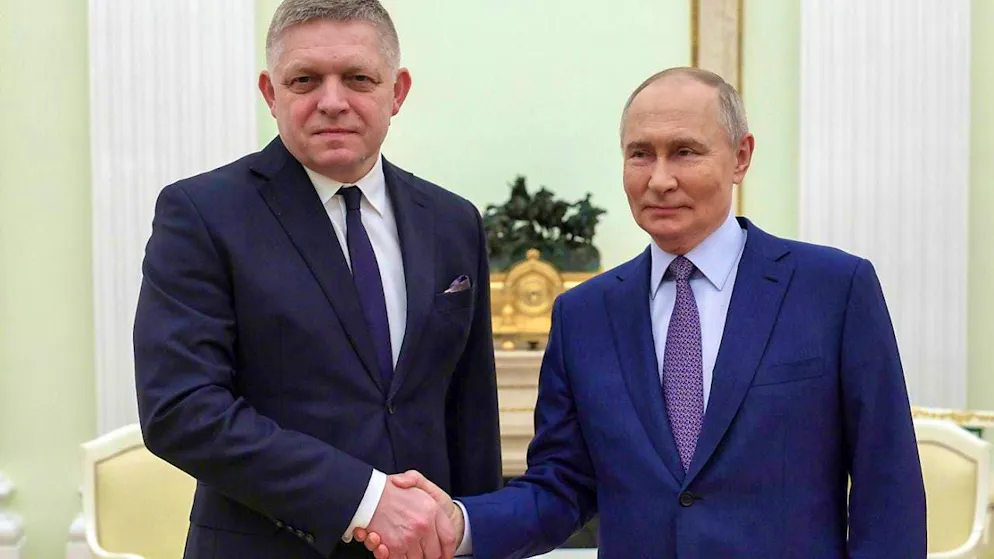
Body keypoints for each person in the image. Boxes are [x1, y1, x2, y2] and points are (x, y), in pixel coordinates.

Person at [357, 67, 927, 558]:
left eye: (685, 151)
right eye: (640, 154)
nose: (659, 179)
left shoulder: (833, 288)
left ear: (741, 157)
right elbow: (563, 486)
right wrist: (460, 524)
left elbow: (888, 485)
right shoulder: (584, 315)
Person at [132, 1, 502, 557]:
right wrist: (365, 497)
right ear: (270, 92)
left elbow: (470, 414)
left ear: (396, 91)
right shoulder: (202, 213)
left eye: (358, 78)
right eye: (305, 80)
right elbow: (181, 409)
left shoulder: (453, 221)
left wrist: (478, 536)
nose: (333, 102)